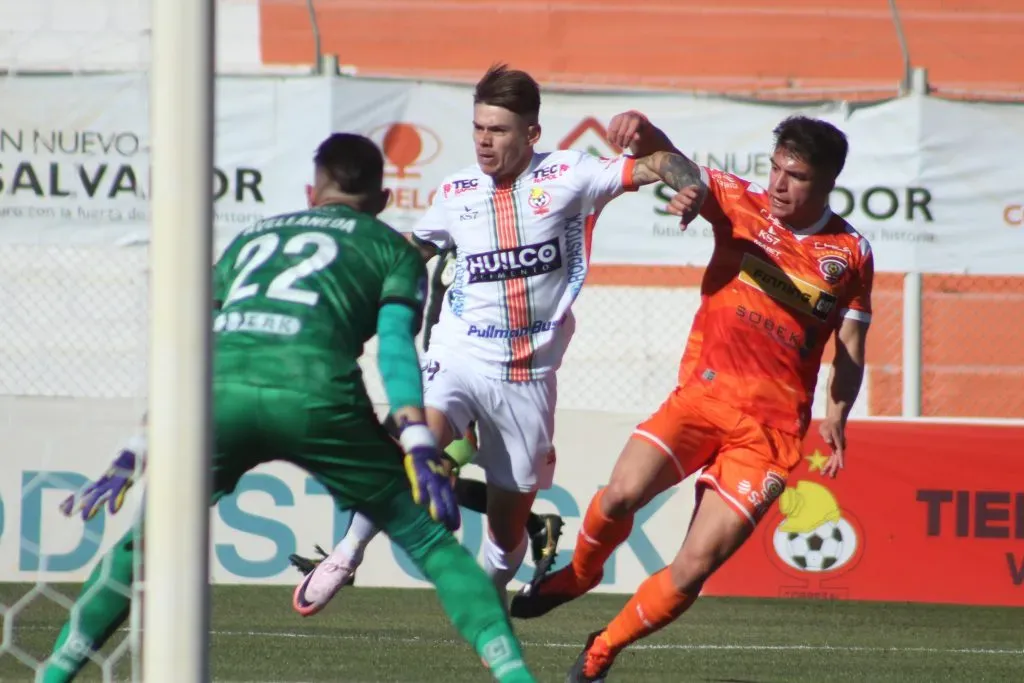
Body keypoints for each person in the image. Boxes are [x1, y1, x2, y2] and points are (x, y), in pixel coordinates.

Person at [43, 132, 538, 683]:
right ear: (381, 201)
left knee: (143, 543)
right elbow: (396, 347)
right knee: (428, 541)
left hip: (219, 397)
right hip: (317, 397)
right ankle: (514, 675)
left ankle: (54, 673)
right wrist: (418, 441)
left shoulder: (252, 238)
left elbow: (189, 343)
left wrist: (138, 447)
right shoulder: (392, 248)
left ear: (311, 191)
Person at [291, 63, 712, 616]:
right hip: (459, 352)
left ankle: (487, 594)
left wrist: (691, 187)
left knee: (508, 525)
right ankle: (346, 554)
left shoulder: (571, 174)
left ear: (531, 134)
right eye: (478, 129)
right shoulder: (456, 191)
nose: (485, 142)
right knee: (417, 443)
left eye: (499, 130)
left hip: (528, 378)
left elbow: (657, 163)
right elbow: (414, 250)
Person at [509, 111, 874, 683]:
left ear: (826, 182)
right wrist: (648, 137)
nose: (778, 184)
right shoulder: (740, 201)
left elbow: (850, 345)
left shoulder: (851, 253)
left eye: (795, 176)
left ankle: (602, 649)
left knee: (693, 568)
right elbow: (674, 161)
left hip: (770, 436)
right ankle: (577, 575)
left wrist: (837, 415)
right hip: (700, 402)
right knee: (620, 495)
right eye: (776, 168)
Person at [288, 245, 567, 586]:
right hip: (444, 367)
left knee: (429, 467)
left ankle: (530, 527)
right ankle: (347, 553)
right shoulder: (456, 230)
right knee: (407, 461)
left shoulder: (505, 247)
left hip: (485, 374)